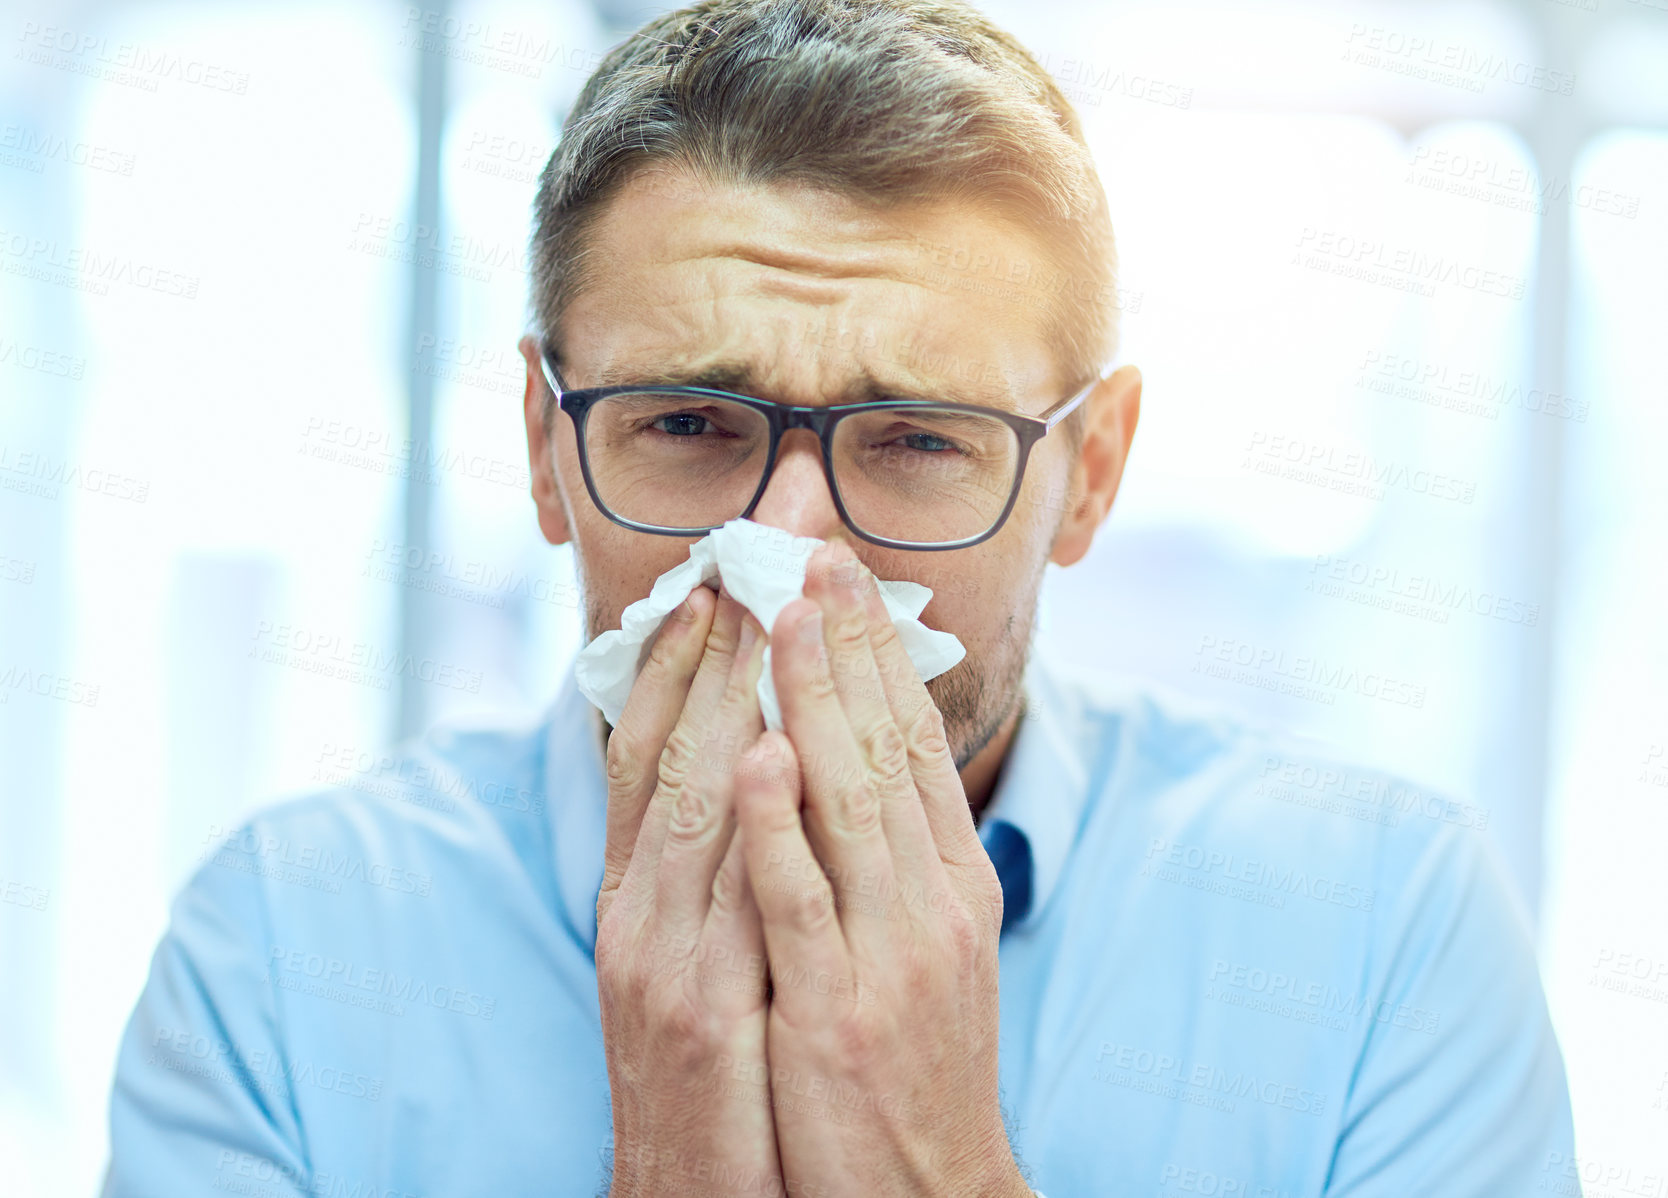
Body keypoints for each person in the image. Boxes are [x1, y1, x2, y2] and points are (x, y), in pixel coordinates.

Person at [102, 0, 1579, 1194]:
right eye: (687, 424)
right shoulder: (282, 960)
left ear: (1093, 474)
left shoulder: (1387, 939)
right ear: (549, 449)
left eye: (920, 440)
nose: (795, 555)